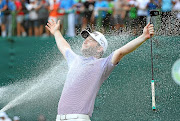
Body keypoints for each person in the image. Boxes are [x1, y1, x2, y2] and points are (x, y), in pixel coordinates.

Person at [45, 18, 154, 121]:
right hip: (59, 118)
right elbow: (64, 47)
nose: (85, 41)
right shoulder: (75, 60)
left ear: (99, 48)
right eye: (86, 39)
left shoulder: (103, 64)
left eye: (91, 40)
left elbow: (121, 52)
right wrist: (56, 32)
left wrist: (143, 37)